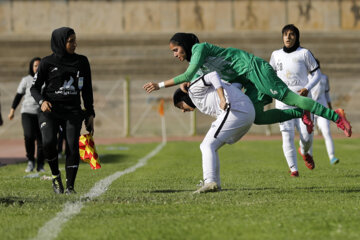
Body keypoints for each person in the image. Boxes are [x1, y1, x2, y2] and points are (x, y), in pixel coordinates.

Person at [143, 32, 352, 138]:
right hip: (248, 81)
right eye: (173, 52)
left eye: (176, 50)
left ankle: (337, 117)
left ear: (185, 46)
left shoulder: (199, 49)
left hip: (254, 70)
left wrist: (159, 84)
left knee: (290, 98)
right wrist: (185, 85)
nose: (175, 54)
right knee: (258, 117)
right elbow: (193, 77)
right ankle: (301, 114)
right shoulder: (197, 64)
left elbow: (188, 74)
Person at [30, 27, 95, 194]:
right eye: (70, 41)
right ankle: (55, 176)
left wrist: (90, 113)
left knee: (73, 146)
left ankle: (70, 187)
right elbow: (34, 88)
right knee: (48, 143)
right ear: (60, 42)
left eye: (75, 40)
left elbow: (86, 90)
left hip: (72, 111)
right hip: (50, 110)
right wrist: (42, 101)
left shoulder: (82, 61)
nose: (75, 44)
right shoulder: (46, 62)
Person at [173, 71, 255, 193]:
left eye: (180, 106)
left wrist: (222, 98)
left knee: (207, 145)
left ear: (184, 97)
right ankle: (215, 184)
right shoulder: (205, 94)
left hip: (237, 110)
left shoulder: (192, 90)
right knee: (211, 146)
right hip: (245, 111)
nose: (183, 111)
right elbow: (236, 85)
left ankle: (210, 182)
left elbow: (212, 75)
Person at [270, 24, 320, 177]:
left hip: (303, 102)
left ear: (297, 37)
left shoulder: (304, 53)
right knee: (287, 135)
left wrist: (307, 88)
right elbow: (270, 75)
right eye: (285, 34)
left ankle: (304, 151)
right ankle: (294, 170)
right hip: (283, 102)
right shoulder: (275, 55)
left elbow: (317, 74)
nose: (288, 37)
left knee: (306, 137)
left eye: (291, 34)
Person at [8, 57, 45, 172]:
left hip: (41, 112)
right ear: (31, 67)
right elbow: (18, 95)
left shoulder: (46, 79)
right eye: (35, 66)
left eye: (39, 66)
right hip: (27, 112)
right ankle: (30, 161)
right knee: (28, 136)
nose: (37, 68)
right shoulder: (26, 80)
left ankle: (40, 165)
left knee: (42, 139)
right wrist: (12, 110)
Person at [308, 59, 339, 165]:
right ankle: (309, 157)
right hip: (311, 110)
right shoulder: (306, 78)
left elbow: (326, 94)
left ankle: (332, 157)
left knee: (326, 132)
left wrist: (330, 108)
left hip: (323, 110)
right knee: (309, 134)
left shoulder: (324, 78)